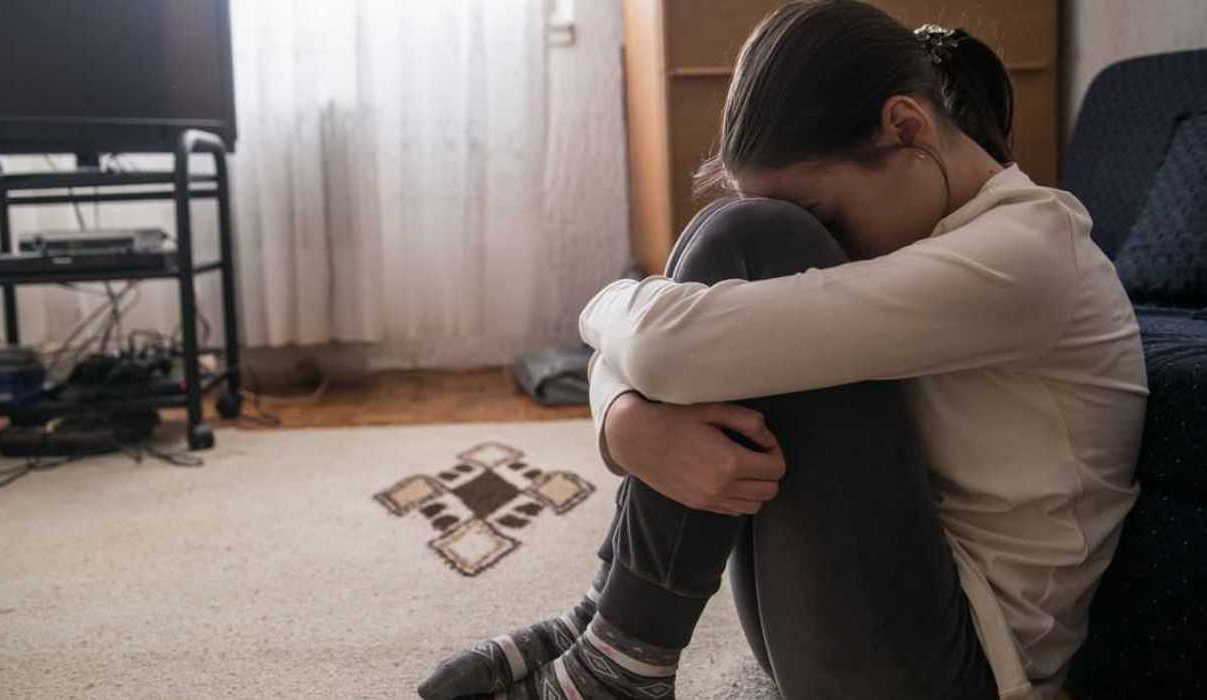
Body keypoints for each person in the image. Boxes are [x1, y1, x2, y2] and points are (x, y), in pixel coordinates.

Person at [417, 1, 1147, 698]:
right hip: (836, 628)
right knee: (734, 237)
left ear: (906, 127)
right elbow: (672, 345)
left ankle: (618, 646)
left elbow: (670, 348)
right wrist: (626, 421)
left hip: (953, 672)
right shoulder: (942, 238)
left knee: (759, 242)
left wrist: (606, 336)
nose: (823, 244)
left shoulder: (1023, 259)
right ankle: (613, 634)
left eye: (823, 212)